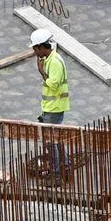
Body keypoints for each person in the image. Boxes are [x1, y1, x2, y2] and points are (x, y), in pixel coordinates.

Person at [30, 29, 70, 174]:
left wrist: (41, 70)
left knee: (50, 141)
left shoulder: (54, 62)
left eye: (35, 49)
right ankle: (64, 164)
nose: (35, 52)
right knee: (55, 138)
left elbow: (53, 84)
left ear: (41, 46)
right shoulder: (51, 59)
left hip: (54, 107)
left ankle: (56, 171)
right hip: (52, 106)